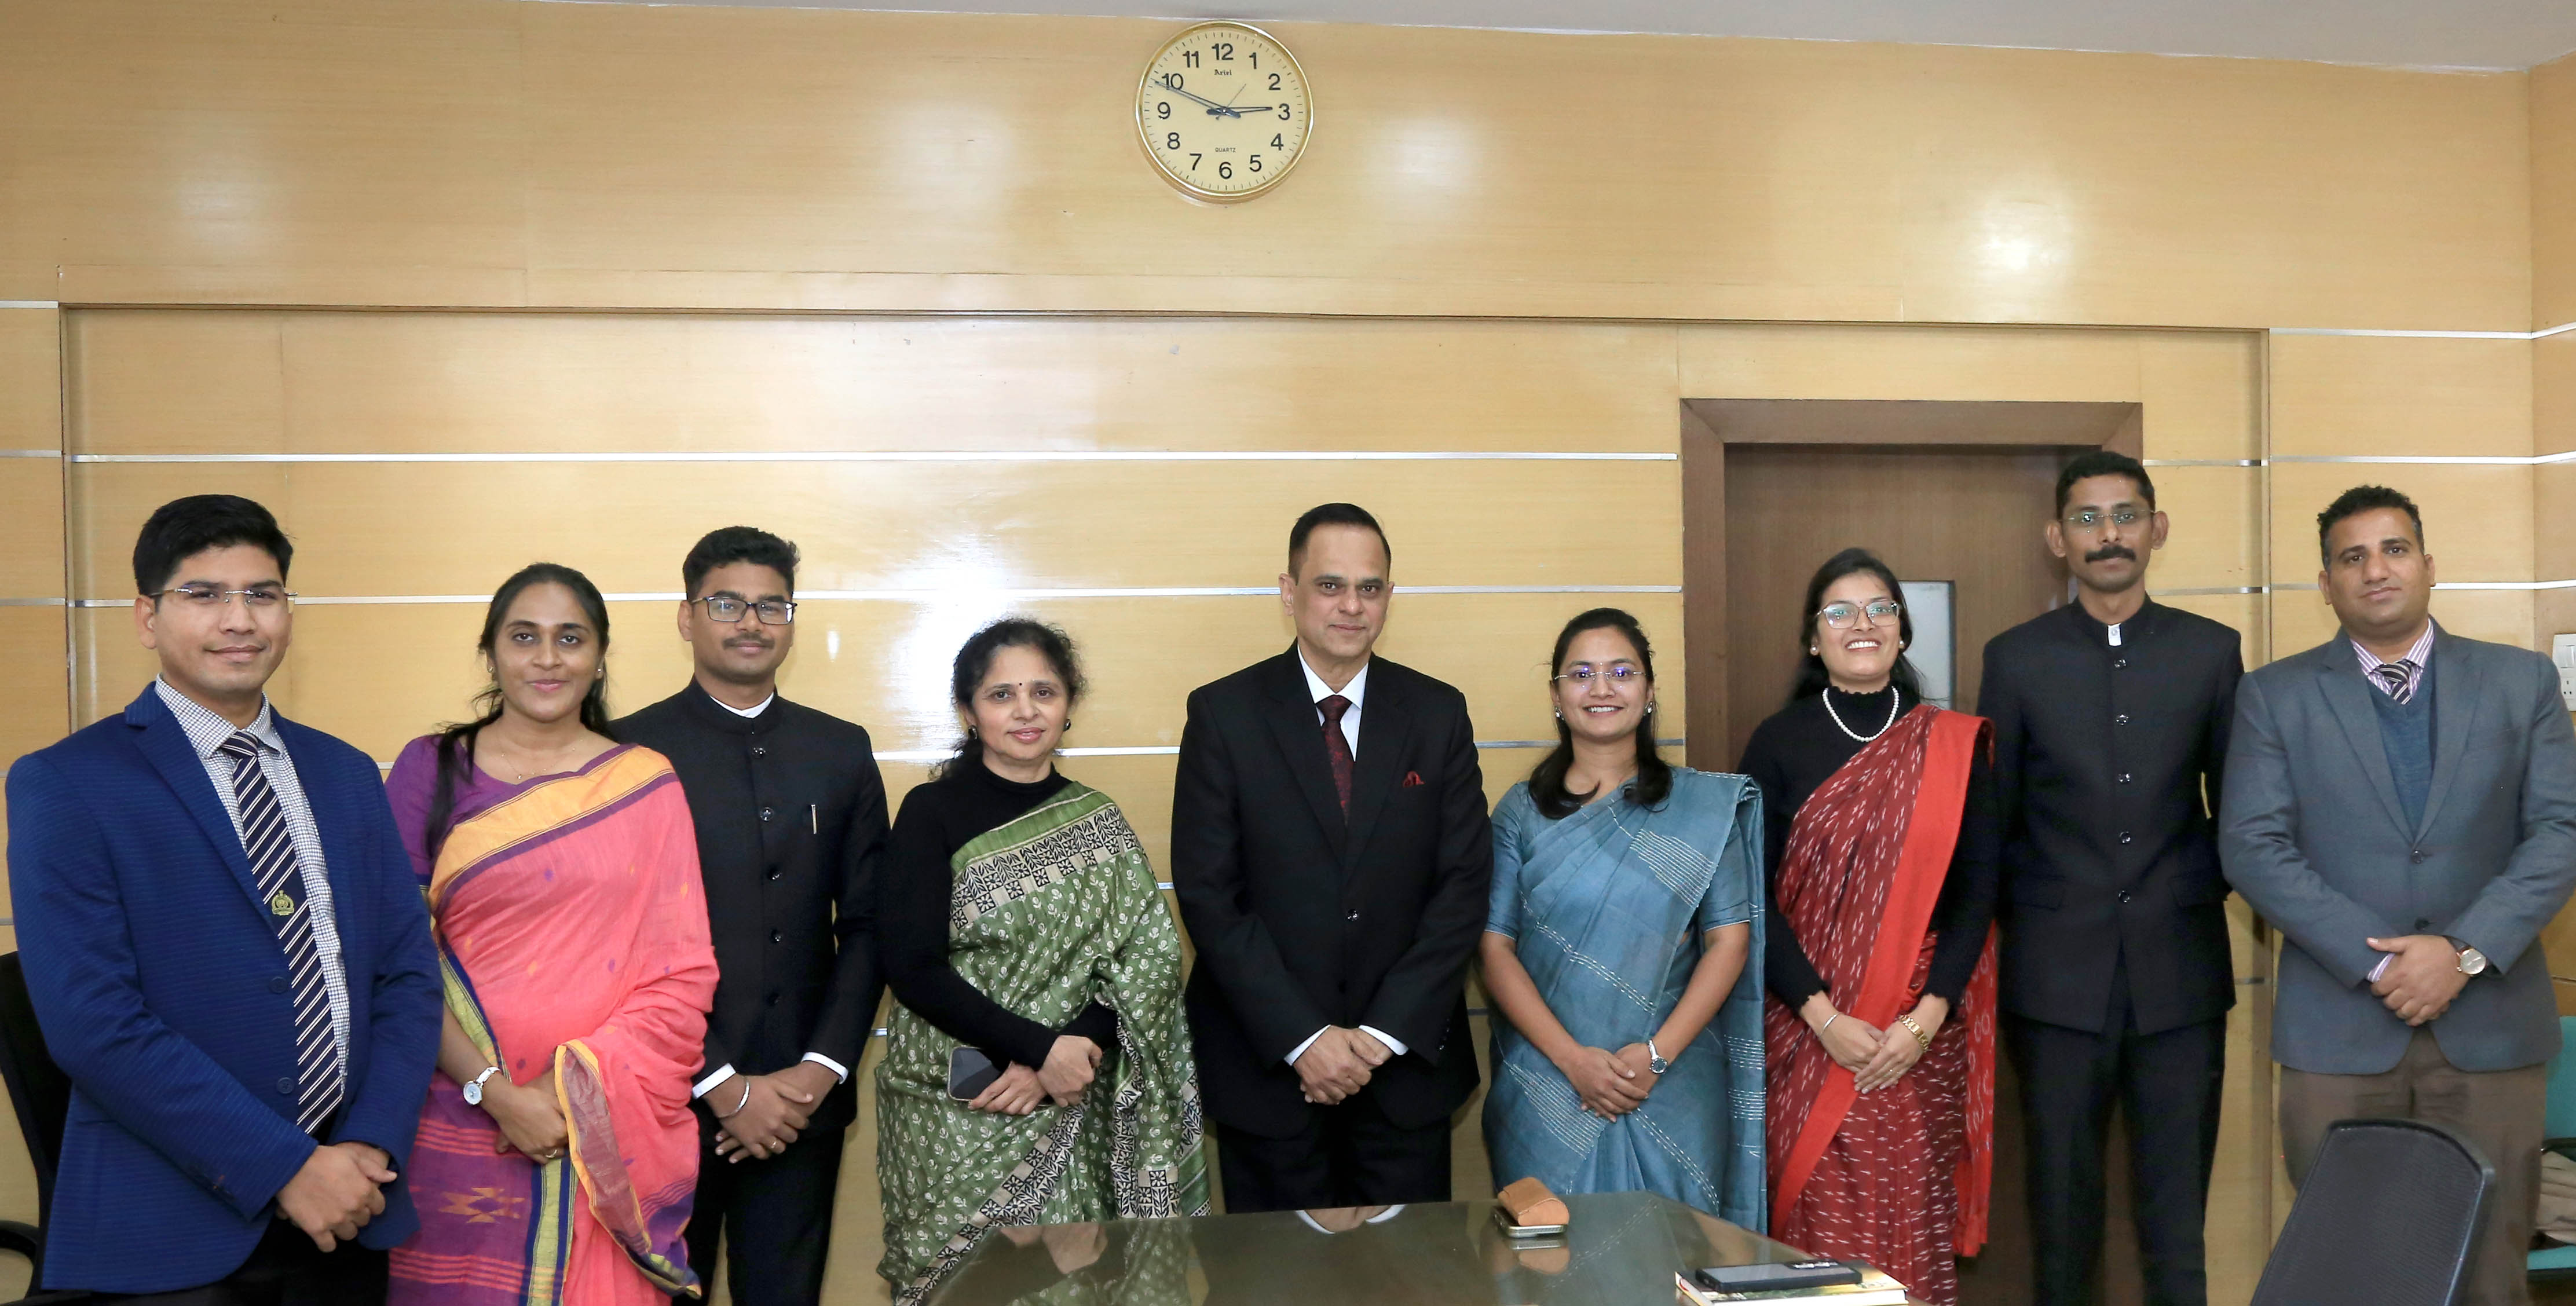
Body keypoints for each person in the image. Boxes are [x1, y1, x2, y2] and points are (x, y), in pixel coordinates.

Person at [5, 495, 440, 1301]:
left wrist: (367, 1146)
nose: (239, 618)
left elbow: (407, 976)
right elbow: (94, 1023)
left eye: (262, 594)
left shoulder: (345, 773)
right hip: (171, 1228)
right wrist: (286, 1167)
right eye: (203, 594)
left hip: (349, 1209)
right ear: (147, 617)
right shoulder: (66, 782)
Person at [2222, 485, 2576, 1306]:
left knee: (2489, 1270)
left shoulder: (2519, 681)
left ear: (2428, 564)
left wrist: (2461, 951)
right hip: (2339, 1032)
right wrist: (2382, 963)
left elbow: (2561, 830)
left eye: (2394, 549)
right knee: (2348, 1269)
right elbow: (2252, 846)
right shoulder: (2273, 695)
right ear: (2326, 583)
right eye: (2352, 557)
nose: (2375, 569)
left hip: (2490, 1027)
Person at [384, 563, 718, 1305]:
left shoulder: (645, 783)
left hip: (598, 1121)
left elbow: (680, 969)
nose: (547, 658)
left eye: (570, 638)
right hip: (451, 1111)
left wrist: (571, 1092)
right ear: (491, 652)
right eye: (523, 637)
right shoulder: (429, 769)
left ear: (599, 657)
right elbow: (395, 956)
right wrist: (495, 1091)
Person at [1170, 503, 1492, 1212]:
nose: (1351, 605)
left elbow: (1463, 884)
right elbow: (1209, 893)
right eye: (1329, 585)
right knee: (1274, 1271)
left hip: (1402, 1067)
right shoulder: (1223, 713)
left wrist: (1378, 1035)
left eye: (1369, 587)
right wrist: (1304, 1038)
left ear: (1388, 596)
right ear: (1288, 591)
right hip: (1269, 1068)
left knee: (1409, 1269)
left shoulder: (1437, 712)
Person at [874, 618, 1205, 1305]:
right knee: (966, 1289)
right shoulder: (931, 812)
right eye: (1001, 694)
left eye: (1042, 691)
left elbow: (1148, 958)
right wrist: (1036, 1051)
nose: (1024, 710)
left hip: (1074, 1092)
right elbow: (911, 965)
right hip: (958, 1103)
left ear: (1068, 702)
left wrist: (1067, 1053)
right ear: (968, 712)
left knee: (1074, 1279)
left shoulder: (1098, 818)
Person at [1976, 451, 2241, 1306]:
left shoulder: (2211, 650)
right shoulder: (2015, 658)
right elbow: (1994, 818)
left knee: (2177, 1221)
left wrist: (2189, 890)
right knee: (2061, 1217)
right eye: (2086, 519)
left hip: (2181, 972)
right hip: (2055, 978)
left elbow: (2238, 811)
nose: (2108, 534)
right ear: (2057, 538)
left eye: (2125, 515)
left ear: (2156, 528)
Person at [614, 526, 887, 1306]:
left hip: (803, 1102)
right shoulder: (629, 752)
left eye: (772, 605)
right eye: (727, 603)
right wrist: (722, 1083)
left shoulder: (840, 749)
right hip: (669, 1093)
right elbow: (619, 939)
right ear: (686, 616)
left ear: (791, 620)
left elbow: (869, 923)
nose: (751, 622)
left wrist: (818, 1070)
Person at [1740, 547, 2000, 1306]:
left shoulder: (1951, 744)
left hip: (1917, 1035)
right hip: (1806, 1028)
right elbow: (1750, 893)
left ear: (1903, 630)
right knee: (1816, 1228)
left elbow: (1977, 891)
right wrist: (1822, 1016)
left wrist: (1925, 1018)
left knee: (1909, 1220)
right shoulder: (1777, 742)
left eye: (1881, 607)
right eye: (1840, 610)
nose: (1863, 622)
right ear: (1812, 636)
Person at [1479, 607, 1766, 1224]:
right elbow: (1494, 947)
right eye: (1581, 673)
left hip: (1674, 1079)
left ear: (1649, 690)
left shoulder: (1702, 808)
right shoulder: (1521, 813)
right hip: (1547, 1082)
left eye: (1621, 671)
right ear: (1556, 695)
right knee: (1550, 1259)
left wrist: (1655, 1056)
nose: (1601, 687)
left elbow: (1729, 942)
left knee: (1679, 1255)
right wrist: (1572, 1060)